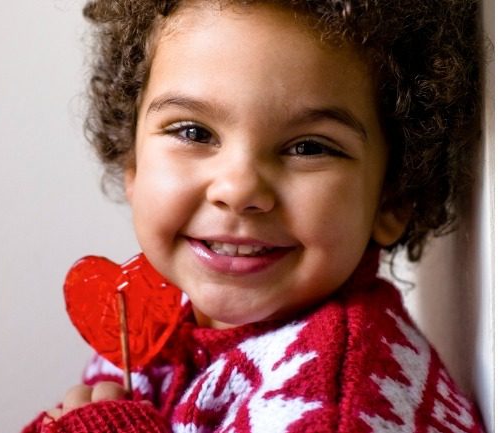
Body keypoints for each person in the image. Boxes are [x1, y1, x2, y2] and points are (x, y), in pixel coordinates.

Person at [24, 0, 484, 431]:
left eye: (308, 147)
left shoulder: (341, 405)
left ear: (393, 199)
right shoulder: (149, 320)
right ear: (133, 164)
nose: (239, 189)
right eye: (193, 131)